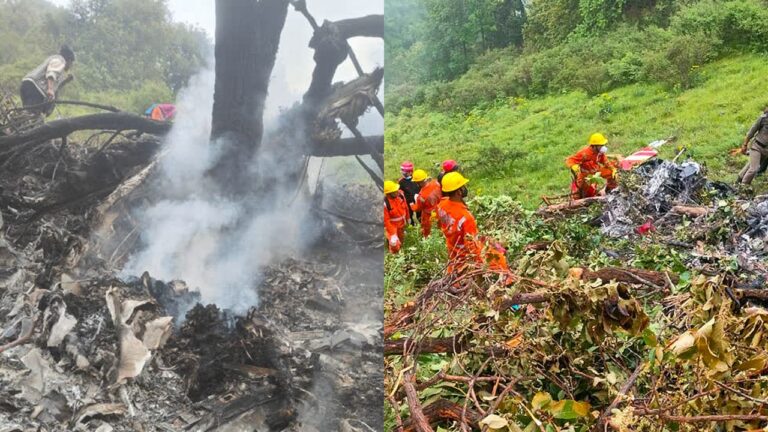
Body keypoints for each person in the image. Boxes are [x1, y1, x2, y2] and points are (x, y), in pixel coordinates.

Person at [436, 172, 510, 276]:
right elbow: (472, 246)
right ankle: (507, 280)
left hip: (452, 248)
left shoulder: (441, 204)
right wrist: (482, 265)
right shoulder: (466, 217)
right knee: (500, 259)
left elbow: (440, 223)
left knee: (491, 244)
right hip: (464, 255)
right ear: (459, 191)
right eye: (463, 186)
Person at [20, 45, 75, 117]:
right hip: (36, 88)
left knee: (28, 112)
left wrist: (66, 81)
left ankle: (17, 125)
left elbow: (56, 86)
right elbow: (51, 73)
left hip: (27, 84)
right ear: (69, 60)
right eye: (71, 63)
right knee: (31, 115)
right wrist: (50, 89)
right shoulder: (60, 60)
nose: (71, 65)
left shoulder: (54, 59)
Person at [566, 133, 618, 199]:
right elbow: (570, 160)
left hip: (597, 172)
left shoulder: (599, 152)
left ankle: (611, 190)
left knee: (610, 173)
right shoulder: (584, 153)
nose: (603, 147)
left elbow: (605, 161)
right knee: (582, 192)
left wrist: (613, 169)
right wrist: (574, 166)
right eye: (601, 145)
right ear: (594, 146)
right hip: (585, 176)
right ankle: (580, 201)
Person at [737, 107, 768, 185]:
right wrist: (745, 145)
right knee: (754, 169)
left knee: (751, 165)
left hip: (766, 151)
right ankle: (743, 187)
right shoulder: (763, 119)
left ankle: (739, 179)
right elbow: (751, 132)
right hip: (757, 147)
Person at [410, 169, 442, 238]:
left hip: (429, 215)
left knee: (428, 232)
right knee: (440, 228)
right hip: (440, 210)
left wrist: (412, 206)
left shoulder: (421, 196)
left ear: (418, 182)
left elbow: (418, 208)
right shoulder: (435, 183)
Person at [384, 180, 408, 254]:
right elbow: (386, 221)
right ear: (389, 194)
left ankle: (401, 251)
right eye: (394, 191)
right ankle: (394, 255)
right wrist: (392, 233)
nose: (397, 192)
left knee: (401, 239)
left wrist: (408, 217)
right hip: (393, 227)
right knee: (394, 244)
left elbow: (405, 207)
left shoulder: (400, 195)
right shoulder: (385, 204)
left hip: (402, 224)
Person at [398, 161, 419, 226]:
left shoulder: (416, 178)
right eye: (402, 172)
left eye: (405, 173)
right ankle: (412, 225)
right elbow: (400, 193)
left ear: (410, 172)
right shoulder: (401, 181)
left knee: (420, 213)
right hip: (408, 202)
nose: (403, 174)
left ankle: (421, 222)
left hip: (417, 200)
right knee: (410, 214)